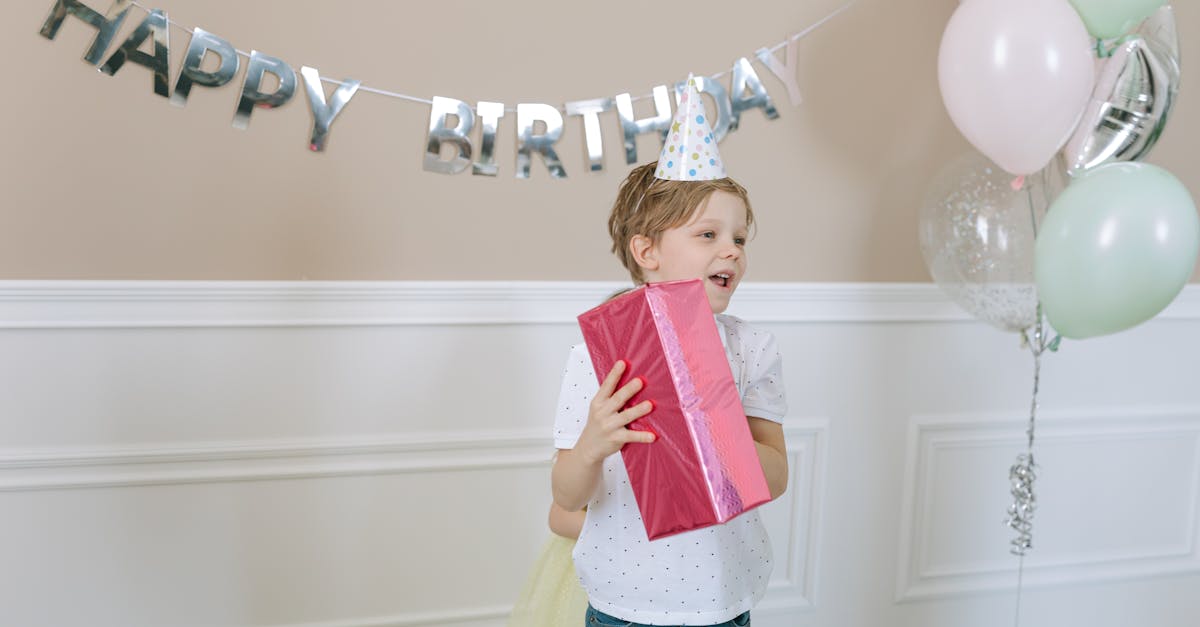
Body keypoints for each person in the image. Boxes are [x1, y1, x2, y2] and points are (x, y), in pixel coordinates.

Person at [550, 76, 789, 627]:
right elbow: (565, 494)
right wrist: (592, 444)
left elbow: (774, 476)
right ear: (647, 250)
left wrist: (713, 418)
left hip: (723, 603)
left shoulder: (753, 348)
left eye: (740, 238)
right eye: (708, 235)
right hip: (622, 605)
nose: (731, 248)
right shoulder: (598, 354)